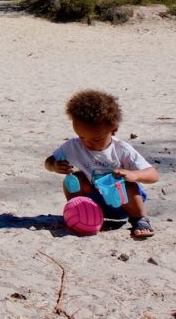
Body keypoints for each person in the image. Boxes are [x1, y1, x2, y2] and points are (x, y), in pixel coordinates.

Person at [44, 89, 159, 239]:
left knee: (127, 183)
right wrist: (54, 166)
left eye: (96, 139)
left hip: (123, 202)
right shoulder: (74, 146)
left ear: (113, 129)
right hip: (95, 200)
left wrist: (133, 175)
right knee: (75, 179)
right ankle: (79, 212)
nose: (87, 143)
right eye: (82, 137)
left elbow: (154, 175)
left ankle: (139, 220)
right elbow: (48, 162)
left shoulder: (122, 150)